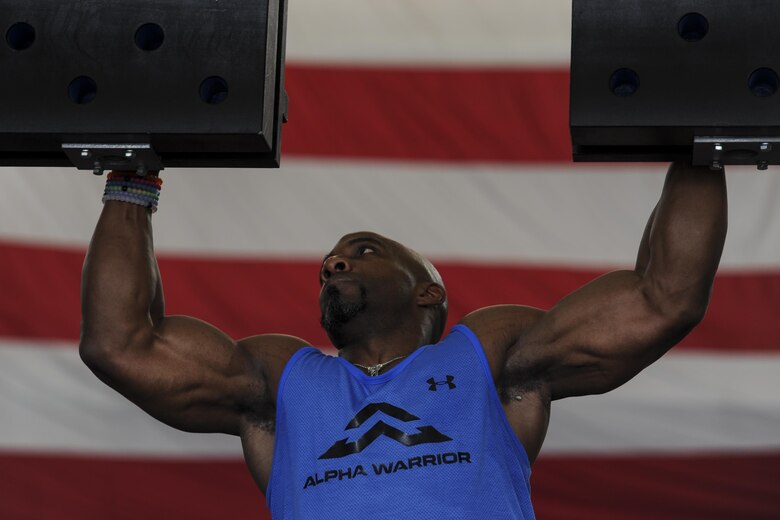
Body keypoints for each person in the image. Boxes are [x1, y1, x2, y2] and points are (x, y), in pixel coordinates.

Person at [80, 161, 727, 519]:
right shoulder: (282, 381)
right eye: (328, 261)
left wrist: (702, 136)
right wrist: (133, 177)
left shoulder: (490, 355)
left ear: (428, 293)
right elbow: (123, 345)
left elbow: (660, 299)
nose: (334, 264)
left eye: (361, 252)